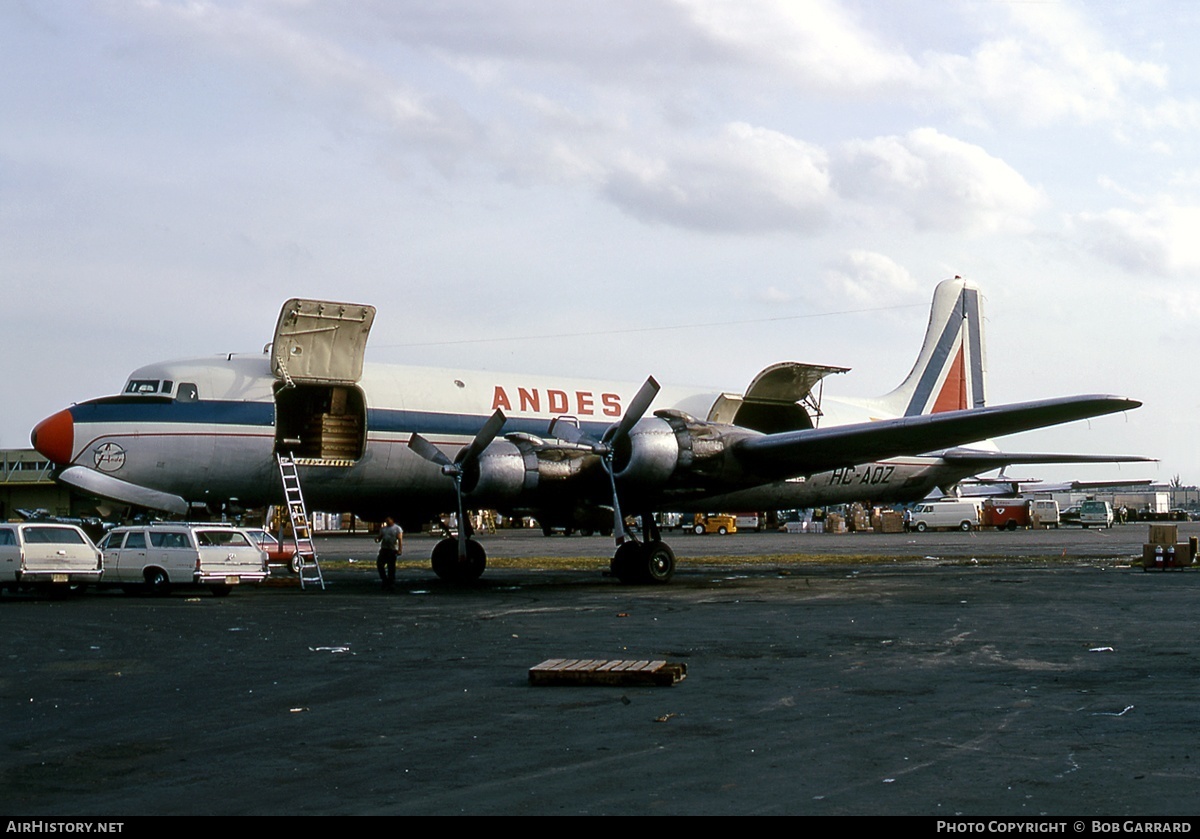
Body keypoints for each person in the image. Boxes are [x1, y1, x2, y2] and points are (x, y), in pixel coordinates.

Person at [375, 516, 403, 591]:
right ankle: (384, 579)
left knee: (391, 567)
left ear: (392, 520)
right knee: (380, 564)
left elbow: (400, 540)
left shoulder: (397, 529)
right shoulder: (383, 529)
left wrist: (400, 550)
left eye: (389, 520)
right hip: (384, 549)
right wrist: (377, 539)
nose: (387, 521)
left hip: (392, 550)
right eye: (386, 520)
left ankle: (391, 583)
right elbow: (380, 537)